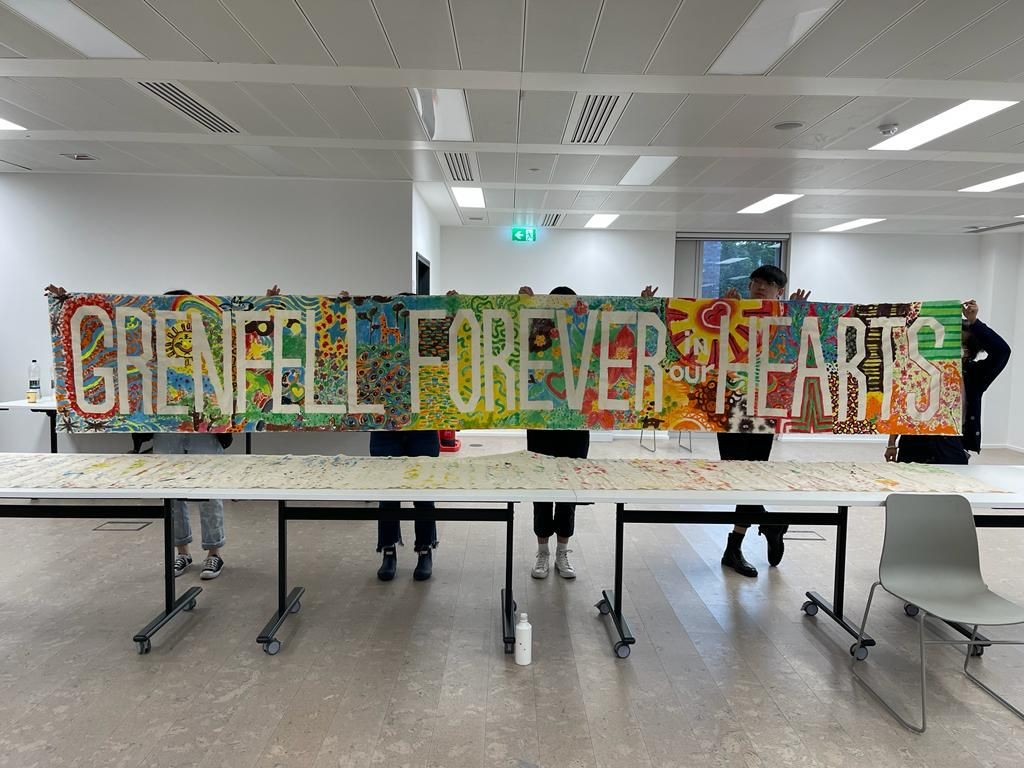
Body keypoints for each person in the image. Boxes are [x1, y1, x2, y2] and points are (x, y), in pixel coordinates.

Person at [717, 265, 810, 578]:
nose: (761, 287)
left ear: (779, 290)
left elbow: (801, 352)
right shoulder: (731, 312)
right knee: (735, 477)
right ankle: (768, 525)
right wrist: (721, 311)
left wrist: (796, 317)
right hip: (731, 404)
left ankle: (735, 545)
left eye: (769, 284)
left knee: (750, 476)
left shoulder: (784, 319)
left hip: (763, 406)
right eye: (756, 282)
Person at [520, 285, 591, 580]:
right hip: (541, 422)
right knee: (541, 487)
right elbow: (515, 344)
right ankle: (543, 552)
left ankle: (562, 551)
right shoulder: (537, 331)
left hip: (574, 425)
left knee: (568, 490)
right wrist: (524, 305)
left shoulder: (585, 333)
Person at [886, 299, 1009, 465]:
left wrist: (974, 322)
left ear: (970, 351)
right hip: (915, 440)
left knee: (953, 485)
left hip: (951, 444)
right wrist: (892, 443)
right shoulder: (920, 370)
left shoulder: (974, 375)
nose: (958, 350)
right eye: (953, 344)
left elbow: (1002, 351)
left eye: (964, 345)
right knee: (910, 486)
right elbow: (901, 408)